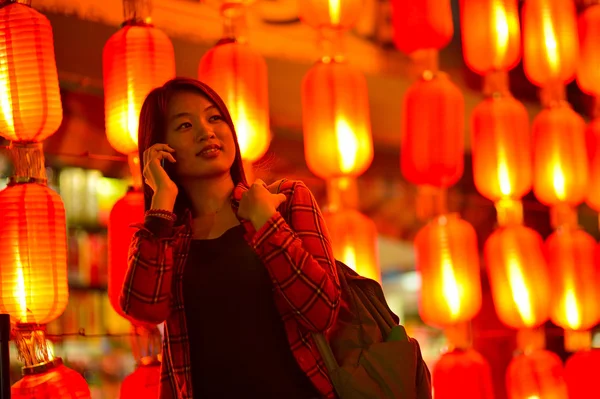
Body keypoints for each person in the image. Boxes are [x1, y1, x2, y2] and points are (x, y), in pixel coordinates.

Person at [120, 77, 341, 399]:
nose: (206, 131)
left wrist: (266, 223)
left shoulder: (285, 200)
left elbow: (322, 312)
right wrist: (161, 200)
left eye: (214, 118)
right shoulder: (166, 236)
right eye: (184, 125)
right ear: (160, 148)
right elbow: (143, 311)